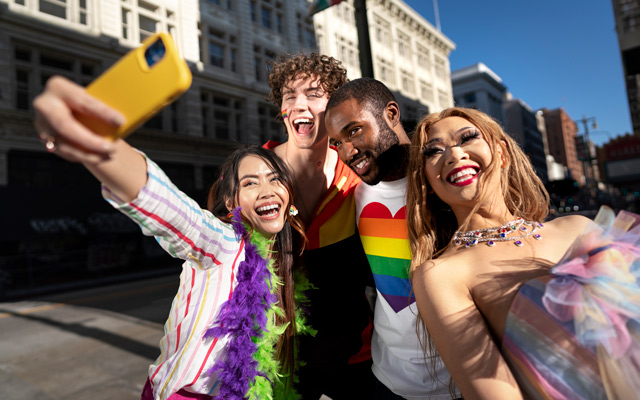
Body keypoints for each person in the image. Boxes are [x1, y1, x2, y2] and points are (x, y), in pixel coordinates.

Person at [32, 76, 311, 400]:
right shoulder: (224, 244)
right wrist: (96, 143)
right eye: (250, 183)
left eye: (274, 179)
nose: (266, 190)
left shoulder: (287, 262)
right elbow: (173, 211)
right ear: (233, 203)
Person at [406, 107, 640, 399]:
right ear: (427, 181)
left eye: (467, 138)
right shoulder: (440, 274)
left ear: (501, 153)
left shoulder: (578, 228)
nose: (454, 155)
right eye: (433, 151)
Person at [325, 77, 456, 399]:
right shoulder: (352, 198)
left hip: (462, 380)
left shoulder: (447, 182)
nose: (347, 152)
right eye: (336, 143)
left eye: (354, 131)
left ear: (392, 114)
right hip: (386, 379)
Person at [265, 53, 375, 399]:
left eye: (314, 95)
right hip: (278, 361)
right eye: (289, 96)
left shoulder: (360, 180)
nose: (300, 105)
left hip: (357, 356)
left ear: (336, 109)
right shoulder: (249, 178)